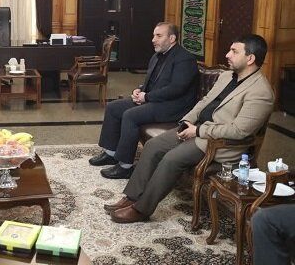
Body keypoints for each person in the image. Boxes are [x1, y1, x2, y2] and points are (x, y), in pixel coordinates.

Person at [105, 34, 274, 223]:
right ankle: (131, 197)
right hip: (195, 128)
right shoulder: (227, 76)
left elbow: (239, 131)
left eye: (234, 51)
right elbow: (205, 101)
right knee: (152, 146)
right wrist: (187, 121)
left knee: (171, 158)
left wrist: (198, 131)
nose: (227, 55)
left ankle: (141, 209)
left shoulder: (261, 92)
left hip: (216, 143)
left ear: (250, 59)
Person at [89, 22, 198, 179]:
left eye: (159, 36)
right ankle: (111, 153)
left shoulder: (185, 59)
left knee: (131, 115)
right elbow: (151, 82)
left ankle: (125, 166)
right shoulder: (156, 56)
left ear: (172, 38)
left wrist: (147, 97)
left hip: (173, 107)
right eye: (154, 36)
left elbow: (177, 89)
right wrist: (139, 90)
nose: (153, 40)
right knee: (113, 107)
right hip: (154, 100)